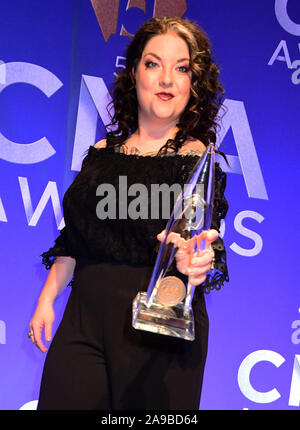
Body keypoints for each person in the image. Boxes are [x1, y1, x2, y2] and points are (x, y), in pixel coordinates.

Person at [29, 16, 229, 410]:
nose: (167, 79)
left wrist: (196, 260)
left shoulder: (197, 163)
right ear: (134, 72)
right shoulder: (102, 154)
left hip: (160, 329)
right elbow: (77, 237)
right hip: (84, 322)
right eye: (154, 64)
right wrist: (48, 296)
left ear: (194, 83)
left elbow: (203, 243)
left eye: (181, 68)